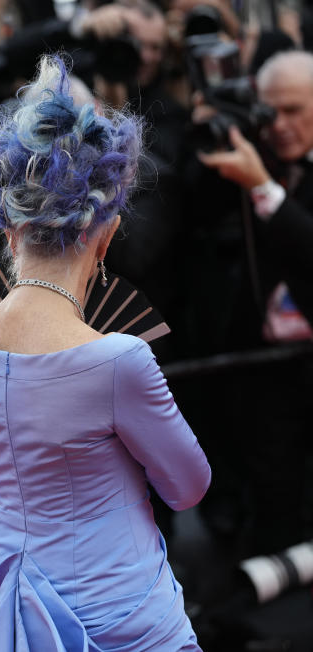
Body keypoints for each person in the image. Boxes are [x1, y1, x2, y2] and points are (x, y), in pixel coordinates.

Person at [0, 56, 211, 650]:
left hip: (21, 614)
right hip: (128, 617)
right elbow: (187, 488)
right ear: (104, 231)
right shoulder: (119, 360)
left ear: (6, 227)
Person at [192, 49, 313, 555]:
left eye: (294, 111)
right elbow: (191, 217)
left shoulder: (261, 175)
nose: (278, 125)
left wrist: (262, 187)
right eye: (269, 112)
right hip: (260, 366)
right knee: (276, 501)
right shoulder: (250, 156)